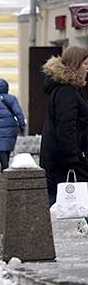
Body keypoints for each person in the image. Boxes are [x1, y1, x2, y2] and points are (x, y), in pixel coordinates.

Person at [39, 46, 88, 204]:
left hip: (62, 160)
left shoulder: (69, 88)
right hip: (65, 163)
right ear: (75, 65)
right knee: (65, 206)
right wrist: (72, 160)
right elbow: (66, 127)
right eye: (86, 64)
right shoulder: (66, 91)